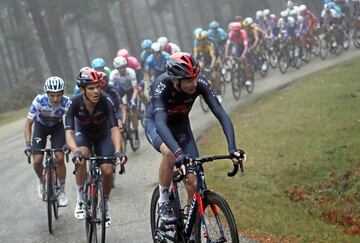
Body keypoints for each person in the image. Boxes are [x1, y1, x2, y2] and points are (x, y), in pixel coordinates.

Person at [144, 52, 246, 226]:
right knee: (169, 154)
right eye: (188, 80)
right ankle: (163, 201)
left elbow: (220, 113)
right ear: (176, 80)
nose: (194, 83)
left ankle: (192, 226)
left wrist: (232, 148)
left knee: (193, 180)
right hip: (156, 124)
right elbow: (161, 124)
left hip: (181, 126)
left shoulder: (201, 84)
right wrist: (178, 153)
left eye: (195, 78)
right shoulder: (161, 85)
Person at [65, 68, 127, 226]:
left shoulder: (106, 100)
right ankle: (80, 199)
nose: (96, 91)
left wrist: (119, 150)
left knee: (107, 170)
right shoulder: (74, 102)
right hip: (82, 133)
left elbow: (114, 128)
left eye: (98, 87)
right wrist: (75, 150)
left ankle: (104, 204)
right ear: (82, 89)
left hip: (102, 135)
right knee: (82, 157)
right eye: (91, 88)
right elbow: (69, 132)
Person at [24, 76, 69, 206]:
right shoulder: (39, 101)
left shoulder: (67, 102)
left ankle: (62, 191)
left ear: (63, 93)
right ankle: (42, 181)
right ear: (47, 93)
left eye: (59, 95)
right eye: (52, 95)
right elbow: (28, 124)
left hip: (57, 128)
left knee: (60, 157)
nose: (56, 99)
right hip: (41, 128)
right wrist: (28, 144)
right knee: (37, 160)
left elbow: (70, 124)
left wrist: (68, 142)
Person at [110, 56, 140, 149]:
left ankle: (136, 133)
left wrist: (132, 101)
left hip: (131, 90)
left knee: (133, 112)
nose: (122, 69)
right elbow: (111, 91)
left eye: (123, 67)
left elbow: (135, 89)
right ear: (116, 69)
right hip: (120, 91)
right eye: (119, 68)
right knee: (119, 106)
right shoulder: (113, 75)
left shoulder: (131, 72)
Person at [193, 30, 222, 102]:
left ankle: (218, 93)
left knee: (215, 75)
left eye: (202, 40)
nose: (201, 41)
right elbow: (195, 57)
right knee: (201, 70)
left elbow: (213, 56)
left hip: (213, 59)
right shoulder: (197, 46)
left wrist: (212, 65)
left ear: (206, 39)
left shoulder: (210, 44)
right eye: (199, 40)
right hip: (205, 60)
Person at [224, 22, 253, 87]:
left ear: (240, 30)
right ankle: (239, 72)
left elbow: (246, 46)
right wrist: (226, 55)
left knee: (244, 61)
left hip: (245, 45)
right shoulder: (231, 34)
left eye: (237, 31)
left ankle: (248, 79)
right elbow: (227, 45)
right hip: (238, 45)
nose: (235, 32)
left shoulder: (243, 33)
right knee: (236, 60)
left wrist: (243, 55)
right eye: (234, 31)